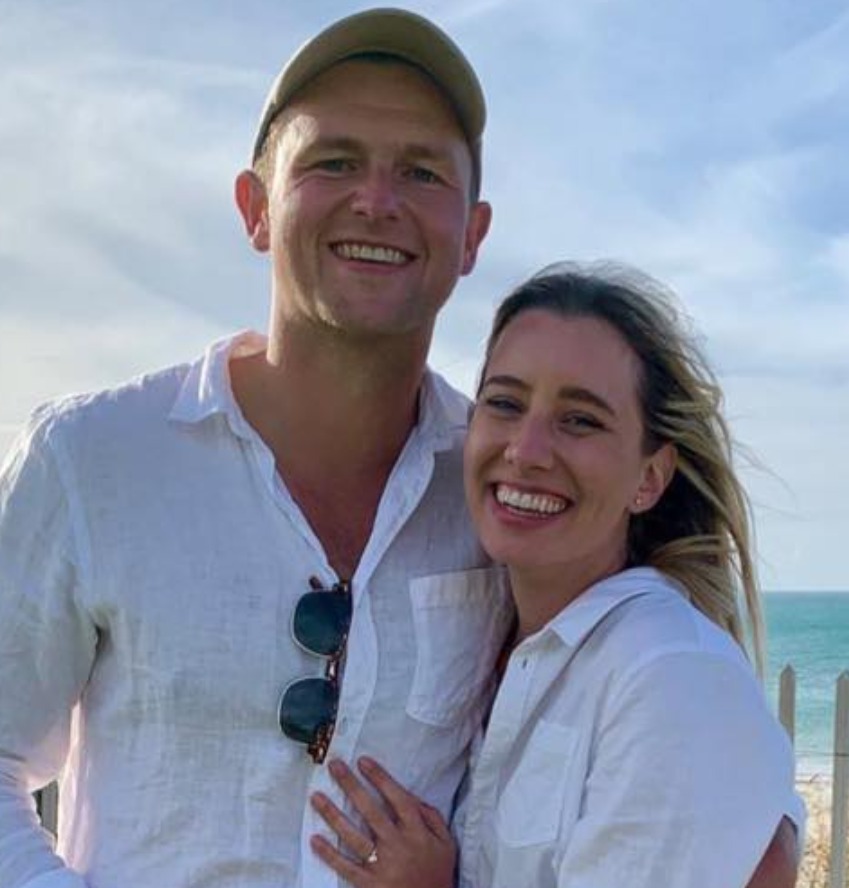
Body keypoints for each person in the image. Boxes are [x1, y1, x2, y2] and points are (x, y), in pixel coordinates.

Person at [0, 10, 510, 888]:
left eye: (421, 171)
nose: (376, 200)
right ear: (256, 208)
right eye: (333, 161)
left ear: (471, 235)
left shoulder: (503, 492)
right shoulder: (90, 458)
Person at [307, 262, 804, 888]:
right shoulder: (492, 649)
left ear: (650, 477)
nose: (526, 450)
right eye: (505, 403)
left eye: (581, 420)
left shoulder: (671, 673)